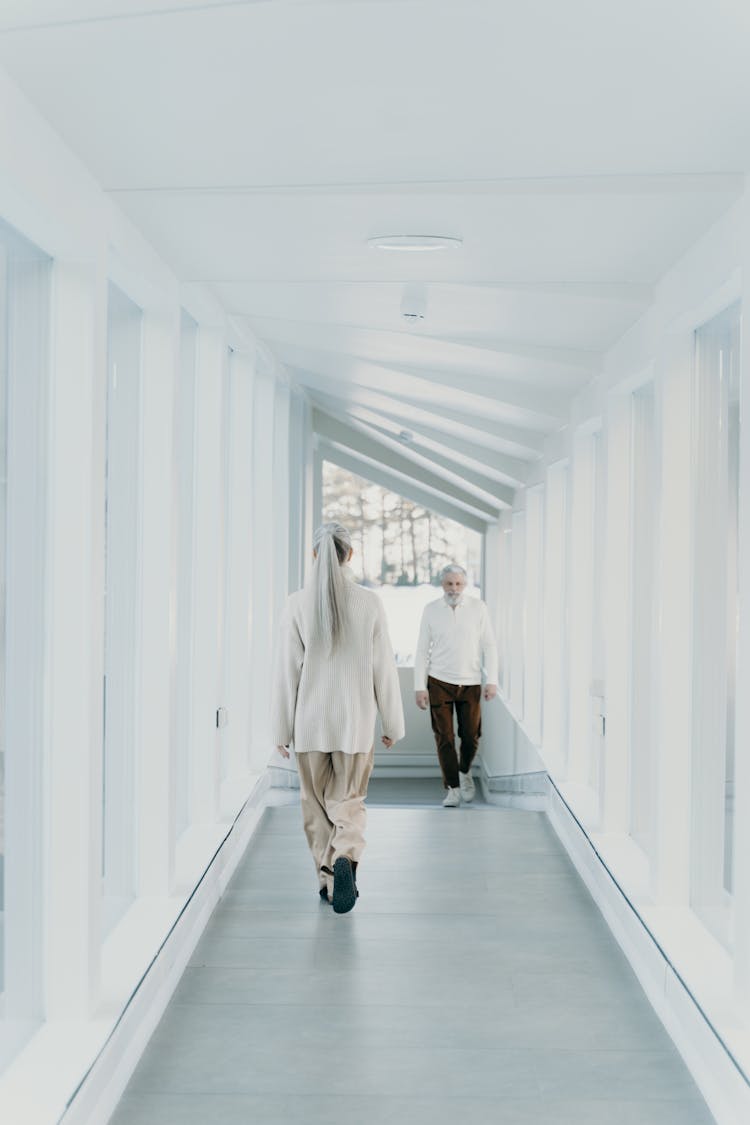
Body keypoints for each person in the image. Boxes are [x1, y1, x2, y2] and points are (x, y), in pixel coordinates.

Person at [271, 522, 405, 913]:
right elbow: (384, 668)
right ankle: (345, 855)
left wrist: (280, 729)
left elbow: (286, 672)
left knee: (315, 807)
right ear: (350, 555)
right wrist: (393, 724)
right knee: (348, 802)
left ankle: (328, 882)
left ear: (315, 555)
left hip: (309, 724)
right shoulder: (369, 603)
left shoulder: (297, 604)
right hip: (356, 724)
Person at [414, 564, 498, 807]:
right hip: (438, 682)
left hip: (470, 683)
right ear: (443, 584)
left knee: (471, 736)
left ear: (465, 585)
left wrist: (491, 680)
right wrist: (419, 686)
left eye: (459, 584)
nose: (454, 588)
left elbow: (490, 645)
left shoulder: (478, 608)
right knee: (444, 738)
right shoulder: (430, 610)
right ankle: (452, 787)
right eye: (450, 583)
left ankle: (464, 772)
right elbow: (421, 650)